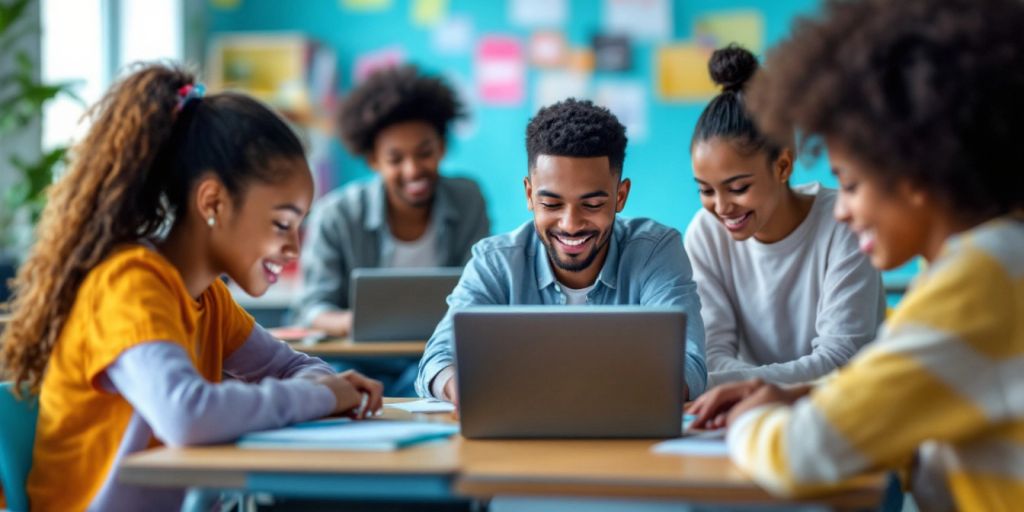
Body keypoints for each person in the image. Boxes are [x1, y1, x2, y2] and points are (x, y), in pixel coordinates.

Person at [0, 64, 383, 511]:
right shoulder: (129, 284)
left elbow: (292, 367)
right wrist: (320, 396)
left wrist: (325, 387)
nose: (294, 248)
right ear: (213, 202)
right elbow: (186, 414)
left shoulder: (208, 296)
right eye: (282, 223)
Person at [689, 0, 1024, 509]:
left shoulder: (983, 281)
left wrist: (749, 416)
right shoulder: (993, 264)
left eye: (850, 183)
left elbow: (800, 454)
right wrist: (800, 394)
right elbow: (907, 399)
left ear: (914, 174)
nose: (841, 209)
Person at [416, 98, 707, 404]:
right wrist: (461, 387)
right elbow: (437, 359)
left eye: (592, 204)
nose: (570, 224)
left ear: (620, 196)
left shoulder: (655, 252)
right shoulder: (495, 262)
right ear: (529, 195)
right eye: (551, 204)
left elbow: (690, 364)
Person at [684, 45, 884, 388]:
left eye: (737, 187)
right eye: (705, 190)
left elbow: (841, 359)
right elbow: (711, 355)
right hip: (741, 412)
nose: (721, 206)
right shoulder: (705, 234)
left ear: (783, 166)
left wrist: (744, 387)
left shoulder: (844, 222)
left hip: (841, 407)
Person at [294, 64, 489, 337]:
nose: (412, 170)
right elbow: (313, 308)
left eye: (425, 153)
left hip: (437, 353)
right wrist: (361, 324)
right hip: (361, 356)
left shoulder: (467, 200)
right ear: (373, 160)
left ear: (442, 148)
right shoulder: (336, 214)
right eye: (395, 159)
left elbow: (481, 292)